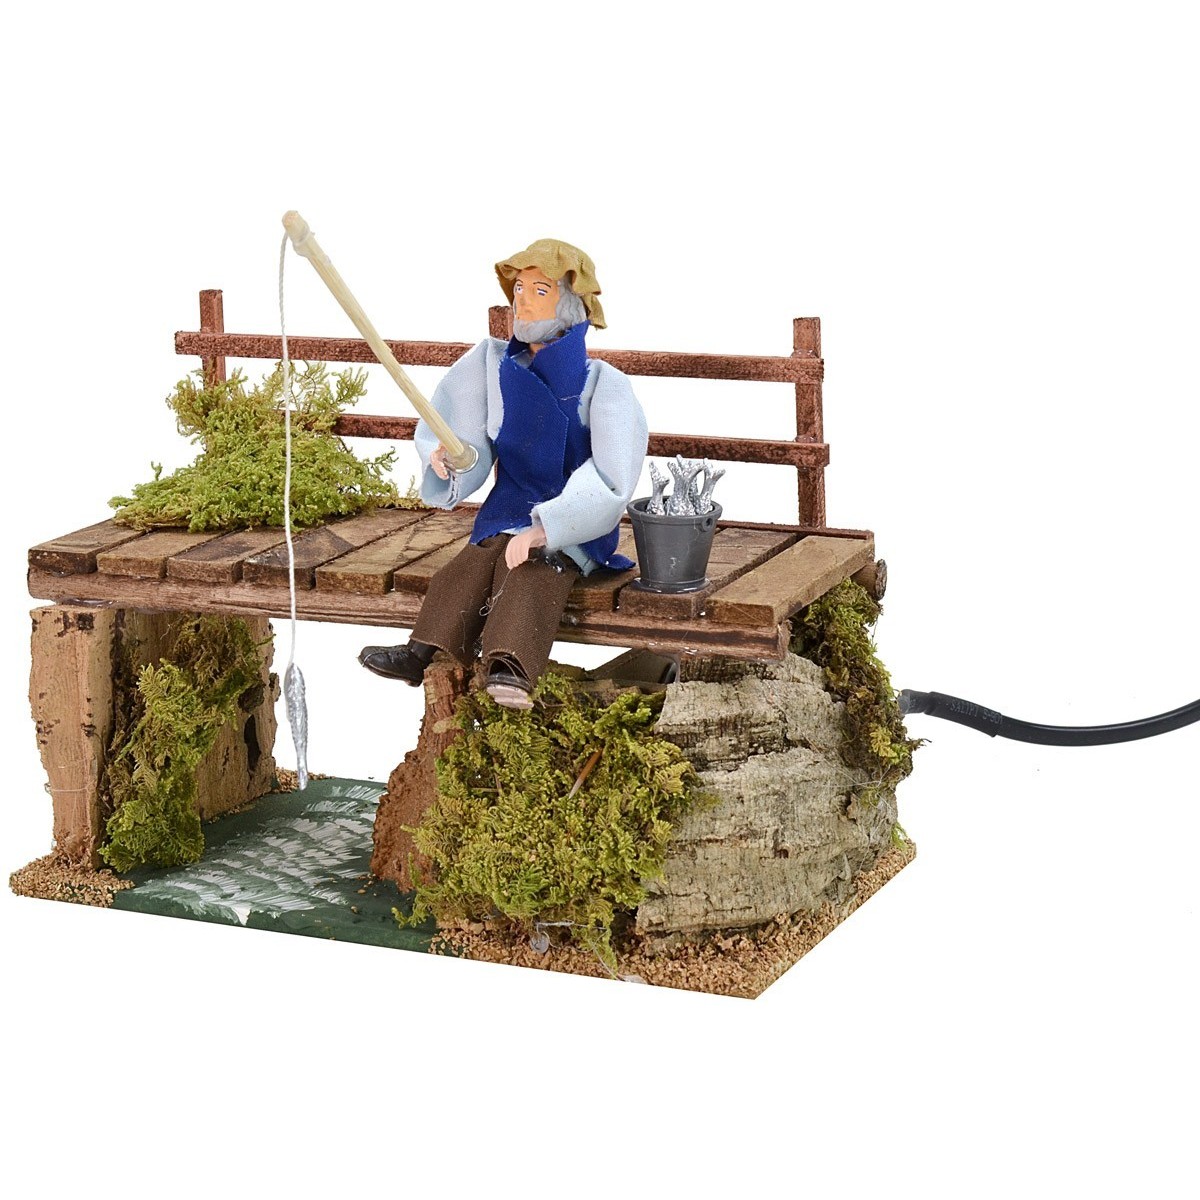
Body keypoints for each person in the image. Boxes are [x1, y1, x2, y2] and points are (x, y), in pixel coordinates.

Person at [358, 239, 648, 710]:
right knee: (475, 560)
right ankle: (422, 650)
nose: (522, 301)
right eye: (519, 289)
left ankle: (511, 667)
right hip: (509, 506)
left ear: (571, 306)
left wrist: (547, 528)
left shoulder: (603, 385)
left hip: (573, 524)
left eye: (539, 290)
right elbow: (468, 436)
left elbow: (611, 477)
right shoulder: (492, 365)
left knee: (534, 569)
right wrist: (450, 456)